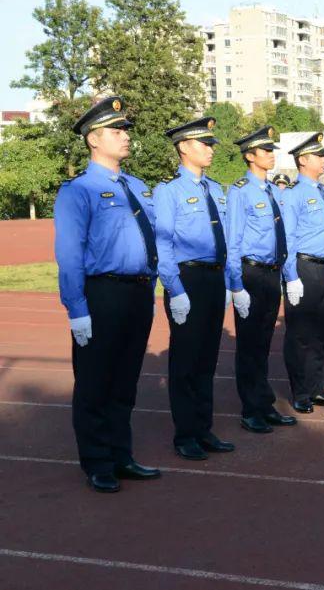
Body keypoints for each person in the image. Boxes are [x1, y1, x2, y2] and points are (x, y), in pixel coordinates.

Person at [54, 96, 161, 492]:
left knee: (125, 381)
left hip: (136, 295)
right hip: (101, 295)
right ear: (94, 140)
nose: (125, 137)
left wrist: (150, 288)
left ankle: (121, 454)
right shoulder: (78, 191)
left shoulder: (137, 187)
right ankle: (97, 461)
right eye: (117, 131)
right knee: (95, 381)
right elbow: (69, 254)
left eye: (125, 131)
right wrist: (77, 308)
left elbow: (150, 243)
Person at [154, 117, 234, 460]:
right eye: (204, 143)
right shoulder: (168, 191)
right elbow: (163, 245)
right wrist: (175, 289)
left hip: (214, 278)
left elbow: (227, 239)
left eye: (211, 143)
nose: (210, 149)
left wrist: (231, 281)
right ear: (184, 146)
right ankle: (185, 434)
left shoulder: (216, 189)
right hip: (187, 280)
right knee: (186, 361)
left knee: (207, 359)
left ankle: (204, 428)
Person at [225, 125, 297, 434]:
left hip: (271, 273)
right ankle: (251, 408)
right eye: (265, 151)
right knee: (250, 344)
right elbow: (233, 241)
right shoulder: (241, 191)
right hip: (251, 273)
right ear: (250, 156)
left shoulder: (272, 191)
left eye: (271, 150)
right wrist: (236, 285)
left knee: (264, 342)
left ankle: (264, 403)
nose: (271, 155)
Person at [280, 132, 324, 414]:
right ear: (303, 160)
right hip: (304, 268)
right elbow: (288, 238)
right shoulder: (294, 194)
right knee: (300, 334)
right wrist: (291, 275)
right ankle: (301, 392)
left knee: (321, 332)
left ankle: (317, 388)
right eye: (319, 156)